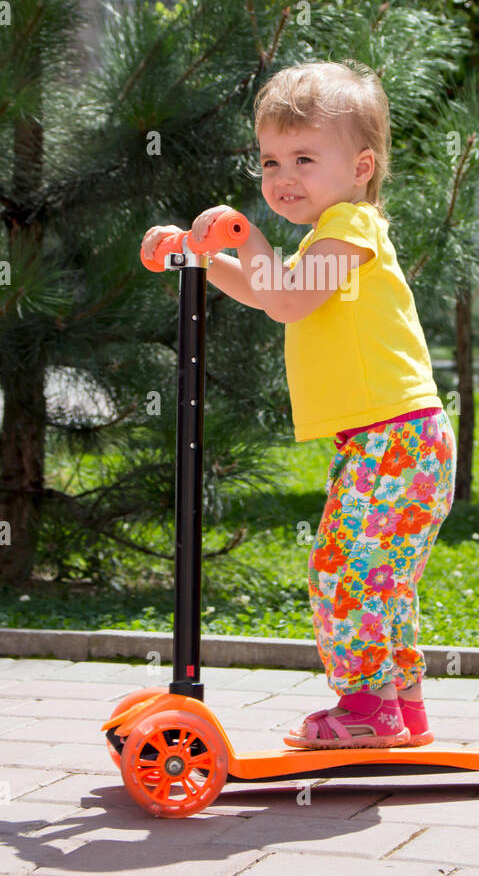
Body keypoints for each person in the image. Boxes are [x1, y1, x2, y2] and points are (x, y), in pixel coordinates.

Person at [142, 60, 456, 750]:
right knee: (378, 578)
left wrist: (244, 239)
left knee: (344, 572)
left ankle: (369, 707)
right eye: (270, 160)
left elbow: (283, 297)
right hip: (387, 441)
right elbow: (270, 291)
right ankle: (400, 710)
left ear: (361, 165)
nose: (282, 177)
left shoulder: (353, 226)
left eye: (305, 158)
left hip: (397, 439)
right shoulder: (331, 234)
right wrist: (198, 260)